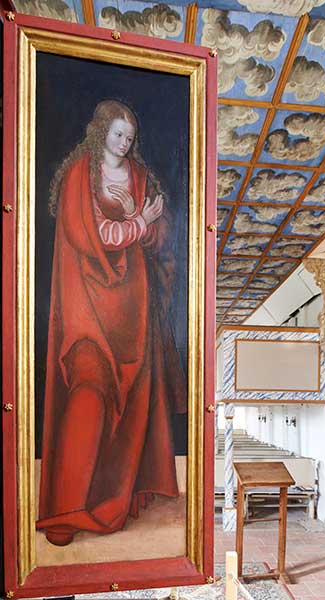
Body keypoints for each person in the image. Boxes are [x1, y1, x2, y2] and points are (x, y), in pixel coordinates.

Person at [36, 100, 187, 546]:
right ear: (101, 130)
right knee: (89, 390)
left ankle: (116, 498)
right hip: (86, 304)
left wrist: (145, 222)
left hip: (132, 311)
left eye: (130, 137)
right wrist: (139, 221)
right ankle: (68, 508)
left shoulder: (139, 178)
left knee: (133, 405)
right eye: (118, 133)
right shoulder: (78, 175)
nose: (124, 142)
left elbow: (159, 239)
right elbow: (89, 236)